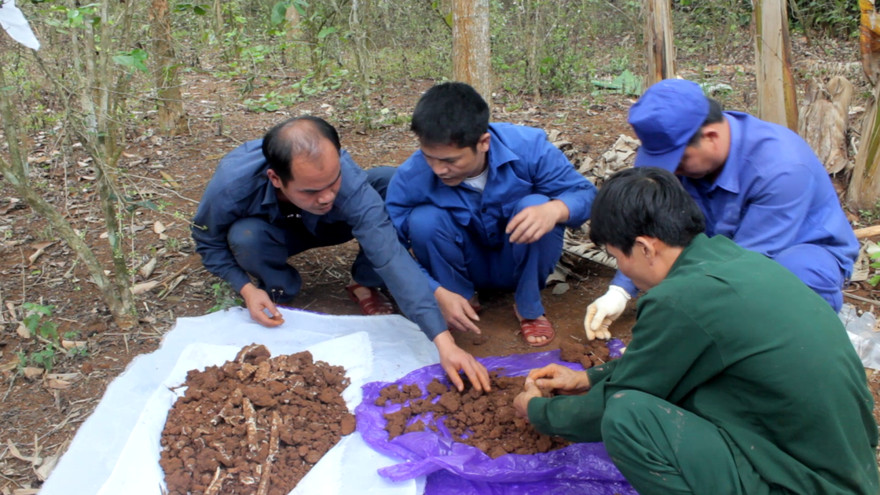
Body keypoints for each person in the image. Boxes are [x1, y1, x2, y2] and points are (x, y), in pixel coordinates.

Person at [514, 166, 879, 495]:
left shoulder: (680, 299)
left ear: (644, 248)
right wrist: (588, 380)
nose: (622, 268)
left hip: (800, 482)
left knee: (629, 417)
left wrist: (538, 412)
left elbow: (619, 402)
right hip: (846, 469)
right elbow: (667, 360)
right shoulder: (733, 261)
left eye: (617, 256)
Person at [192, 116, 490, 392]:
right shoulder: (232, 185)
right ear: (275, 178)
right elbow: (207, 241)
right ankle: (278, 288)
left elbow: (388, 253)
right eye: (310, 191)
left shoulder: (345, 179)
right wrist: (246, 289)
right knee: (245, 236)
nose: (326, 197)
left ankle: (364, 280)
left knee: (387, 181)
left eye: (333, 183)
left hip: (332, 225)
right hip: (276, 234)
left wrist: (444, 342)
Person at [584, 78, 859, 340]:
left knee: (793, 280)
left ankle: (807, 340)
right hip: (721, 249)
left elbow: (747, 265)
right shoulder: (686, 158)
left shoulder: (781, 168)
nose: (673, 170)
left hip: (793, 250)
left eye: (678, 160)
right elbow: (647, 220)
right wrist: (620, 288)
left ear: (711, 136)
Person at [385, 82, 597, 347]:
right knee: (424, 220)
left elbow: (585, 194)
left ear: (483, 142)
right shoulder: (411, 175)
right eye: (430, 157)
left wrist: (554, 210)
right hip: (459, 265)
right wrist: (435, 292)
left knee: (537, 205)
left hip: (518, 260)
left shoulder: (528, 148)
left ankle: (528, 306)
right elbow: (389, 247)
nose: (438, 169)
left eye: (450, 161)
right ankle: (460, 300)